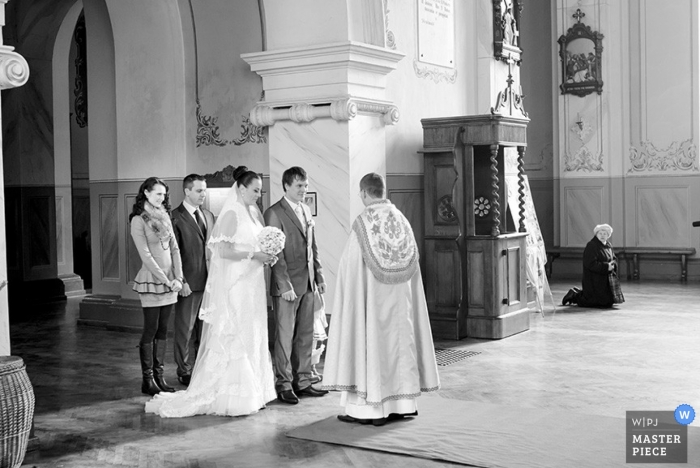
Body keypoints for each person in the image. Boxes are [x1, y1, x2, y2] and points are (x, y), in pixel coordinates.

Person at [145, 168, 278, 417]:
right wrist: (254, 255)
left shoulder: (253, 213)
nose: (258, 195)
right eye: (255, 190)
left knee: (254, 333)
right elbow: (223, 252)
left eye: (260, 191)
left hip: (252, 283)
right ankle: (233, 393)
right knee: (233, 335)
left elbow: (252, 243)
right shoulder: (231, 213)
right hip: (236, 285)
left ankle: (256, 390)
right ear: (240, 188)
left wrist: (266, 255)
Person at [321, 173, 440, 426]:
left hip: (372, 305)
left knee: (373, 346)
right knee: (400, 346)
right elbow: (414, 268)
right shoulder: (403, 220)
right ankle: (402, 404)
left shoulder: (363, 224)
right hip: (401, 304)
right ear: (383, 191)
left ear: (364, 193)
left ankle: (371, 411)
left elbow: (349, 268)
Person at [264, 166, 328, 405]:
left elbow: (313, 246)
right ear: (287, 186)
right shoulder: (274, 213)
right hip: (287, 288)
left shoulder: (305, 210)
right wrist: (284, 285)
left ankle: (302, 382)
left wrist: (319, 277)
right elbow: (275, 255)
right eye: (299, 186)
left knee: (305, 335)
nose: (304, 190)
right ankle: (283, 384)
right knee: (284, 336)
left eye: (306, 185)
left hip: (309, 282)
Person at [130, 177, 184, 396]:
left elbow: (175, 249)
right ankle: (148, 379)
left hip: (171, 281)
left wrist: (178, 278)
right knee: (150, 329)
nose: (162, 198)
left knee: (163, 329)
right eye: (157, 194)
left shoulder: (164, 215)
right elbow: (146, 256)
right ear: (146, 193)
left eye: (164, 194)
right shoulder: (138, 220)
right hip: (152, 281)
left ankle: (160, 377)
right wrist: (166, 279)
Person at [171, 174, 215, 386]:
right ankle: (184, 369)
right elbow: (174, 254)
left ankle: (200, 367)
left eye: (204, 191)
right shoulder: (175, 217)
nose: (202, 195)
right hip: (188, 284)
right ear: (187, 191)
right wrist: (182, 281)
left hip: (209, 283)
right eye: (198, 191)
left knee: (204, 329)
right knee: (184, 329)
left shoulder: (208, 215)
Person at [562, 224, 625, 308]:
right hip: (594, 280)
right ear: (596, 234)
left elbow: (613, 258)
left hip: (605, 280)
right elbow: (590, 264)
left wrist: (613, 265)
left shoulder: (609, 245)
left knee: (608, 302)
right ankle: (574, 295)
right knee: (593, 302)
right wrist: (606, 267)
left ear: (608, 235)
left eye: (604, 234)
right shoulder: (592, 245)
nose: (602, 235)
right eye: (600, 233)